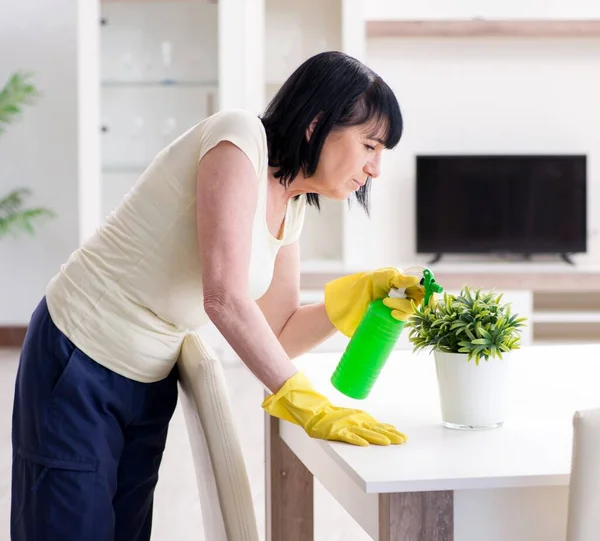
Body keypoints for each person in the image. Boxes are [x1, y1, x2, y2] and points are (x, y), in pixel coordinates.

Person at [10, 50, 424, 541]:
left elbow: (280, 333)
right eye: (370, 145)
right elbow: (224, 297)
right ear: (316, 125)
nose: (375, 169)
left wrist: (352, 299)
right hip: (80, 355)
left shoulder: (291, 207)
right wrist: (307, 403)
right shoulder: (238, 140)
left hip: (149, 378)